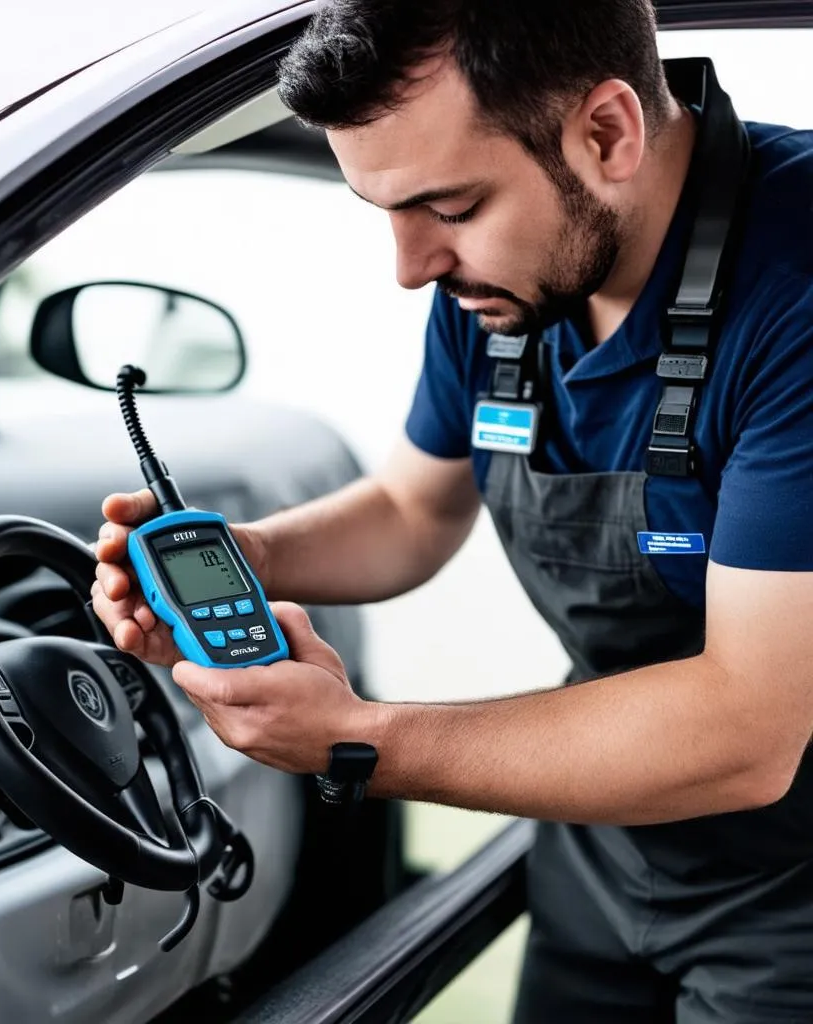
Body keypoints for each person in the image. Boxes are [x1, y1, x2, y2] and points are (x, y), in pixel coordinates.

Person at [92, 2, 813, 1020]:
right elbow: (409, 511)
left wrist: (358, 738)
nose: (410, 267)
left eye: (451, 207)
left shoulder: (795, 294)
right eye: (386, 212)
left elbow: (748, 729)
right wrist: (243, 556)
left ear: (605, 132)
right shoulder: (510, 281)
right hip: (603, 839)